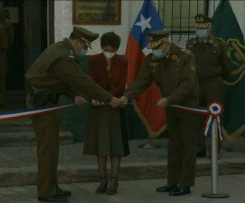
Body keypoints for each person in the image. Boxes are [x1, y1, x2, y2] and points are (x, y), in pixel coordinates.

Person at [25, 26, 122, 203]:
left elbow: (61, 80)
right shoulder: (64, 56)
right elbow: (81, 80)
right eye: (84, 47)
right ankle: (46, 193)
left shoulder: (61, 49)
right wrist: (109, 98)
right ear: (77, 42)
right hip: (43, 103)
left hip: (48, 100)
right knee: (47, 149)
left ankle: (52, 187)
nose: (83, 51)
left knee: (52, 147)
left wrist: (74, 95)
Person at [119, 29, 199, 196]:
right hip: (170, 107)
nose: (154, 51)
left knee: (188, 146)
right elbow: (141, 81)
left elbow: (188, 84)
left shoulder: (185, 56)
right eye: (152, 48)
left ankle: (185, 184)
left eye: (157, 47)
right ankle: (172, 182)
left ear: (167, 44)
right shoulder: (152, 60)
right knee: (173, 145)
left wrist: (168, 99)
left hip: (187, 107)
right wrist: (126, 97)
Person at [83, 32, 129, 195]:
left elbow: (121, 85)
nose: (109, 53)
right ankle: (102, 180)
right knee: (100, 147)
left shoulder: (122, 61)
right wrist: (96, 98)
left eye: (112, 50)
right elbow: (90, 82)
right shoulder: (94, 60)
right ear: (102, 47)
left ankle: (114, 181)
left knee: (115, 147)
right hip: (98, 108)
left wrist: (109, 99)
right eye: (106, 50)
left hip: (114, 107)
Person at [186, 14, 233, 157]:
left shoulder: (218, 45)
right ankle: (198, 148)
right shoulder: (191, 44)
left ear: (210, 27)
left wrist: (218, 78)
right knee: (196, 117)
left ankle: (215, 149)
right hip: (196, 85)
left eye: (203, 27)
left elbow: (227, 67)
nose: (200, 30)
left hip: (213, 85)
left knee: (215, 116)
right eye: (197, 27)